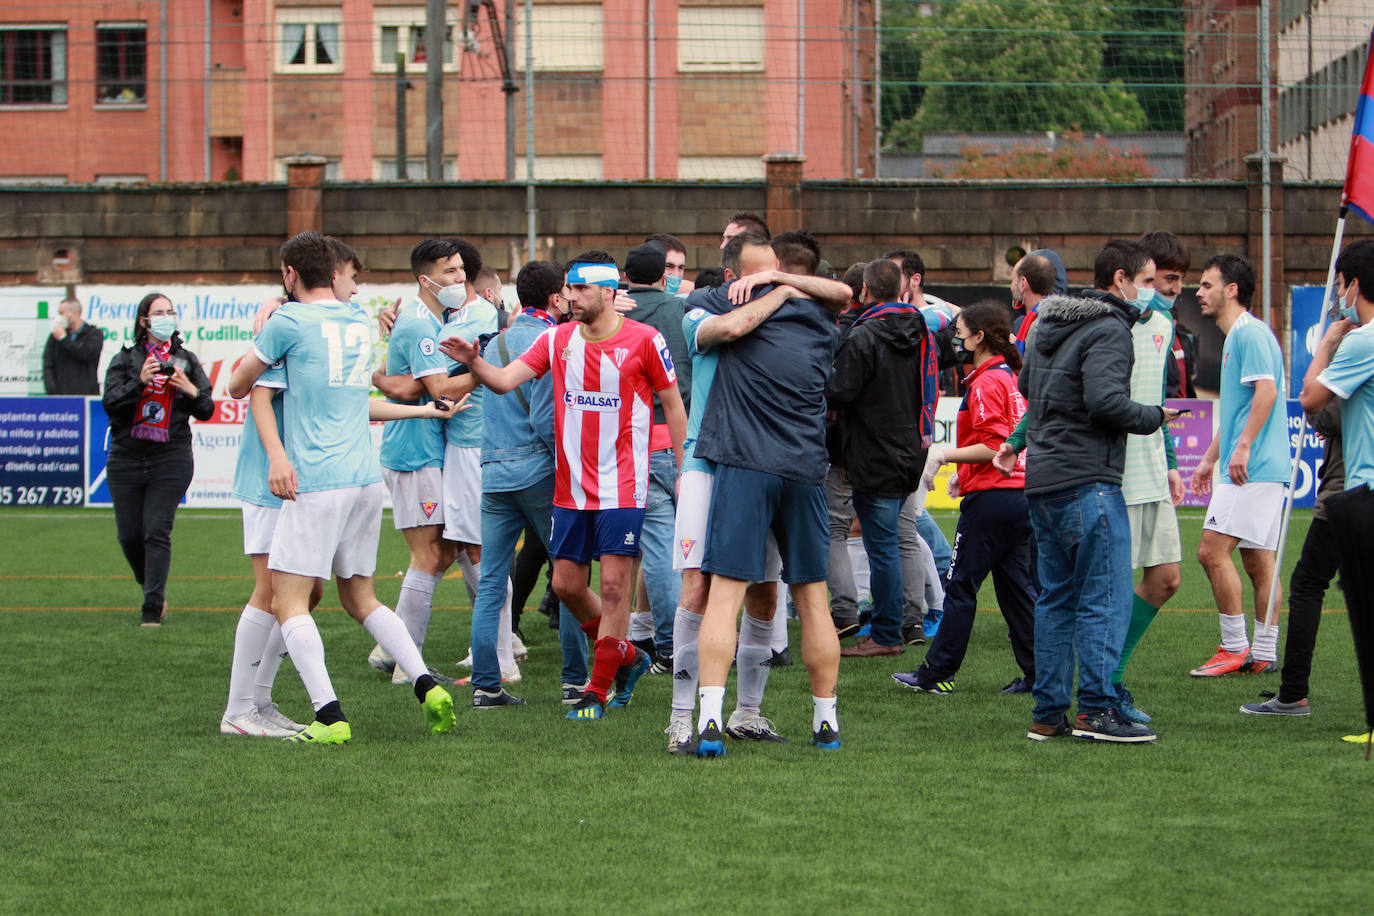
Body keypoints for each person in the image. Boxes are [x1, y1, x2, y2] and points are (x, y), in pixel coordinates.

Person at [227, 231, 456, 744]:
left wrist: (272, 323)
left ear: (290, 275)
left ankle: (315, 714)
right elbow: (342, 397)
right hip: (352, 478)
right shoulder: (353, 321)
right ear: (333, 275)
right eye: (353, 276)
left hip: (310, 479)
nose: (357, 285)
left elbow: (240, 387)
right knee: (342, 596)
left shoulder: (286, 323)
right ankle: (422, 681)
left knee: (285, 597)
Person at [440, 251, 687, 721]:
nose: (570, 297)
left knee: (614, 588)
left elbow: (673, 408)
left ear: (609, 293)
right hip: (569, 489)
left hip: (624, 486)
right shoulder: (557, 340)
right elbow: (505, 379)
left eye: (581, 290)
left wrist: (685, 468)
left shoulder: (644, 340)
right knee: (567, 585)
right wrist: (475, 361)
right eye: (568, 289)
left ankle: (596, 688)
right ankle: (626, 656)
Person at [667, 233, 844, 754]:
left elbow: (835, 294)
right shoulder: (718, 305)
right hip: (751, 464)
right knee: (797, 597)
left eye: (774, 269)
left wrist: (779, 285)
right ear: (732, 275)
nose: (764, 277)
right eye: (757, 270)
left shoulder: (790, 304)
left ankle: (726, 717)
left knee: (743, 593)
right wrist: (785, 289)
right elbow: (731, 326)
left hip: (745, 465)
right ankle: (819, 720)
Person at [998, 238, 1179, 743]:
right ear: (1119, 280)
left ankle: (1048, 712)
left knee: (1056, 599)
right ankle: (1096, 709)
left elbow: (1029, 389)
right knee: (1104, 596)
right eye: (1146, 282)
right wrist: (1155, 417)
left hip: (1046, 480)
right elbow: (1106, 401)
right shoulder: (1109, 327)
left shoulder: (1049, 324)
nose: (1152, 293)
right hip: (1087, 481)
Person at [897, 301, 1036, 694]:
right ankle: (1037, 674)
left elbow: (994, 445)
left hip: (993, 499)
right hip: (1016, 495)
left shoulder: (986, 382)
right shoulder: (1010, 376)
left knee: (960, 585)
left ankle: (937, 673)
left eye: (960, 333)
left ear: (979, 337)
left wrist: (943, 455)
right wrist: (966, 474)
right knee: (1016, 591)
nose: (955, 341)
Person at [466, 260, 586, 709]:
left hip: (494, 471)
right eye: (567, 292)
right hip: (538, 472)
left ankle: (486, 686)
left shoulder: (495, 342)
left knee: (492, 581)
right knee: (569, 572)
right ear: (556, 298)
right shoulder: (552, 340)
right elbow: (544, 418)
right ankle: (575, 682)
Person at [367, 239, 478, 684]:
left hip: (426, 449)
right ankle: (404, 665)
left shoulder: (427, 319)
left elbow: (413, 387)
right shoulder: (417, 323)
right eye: (450, 272)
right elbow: (437, 389)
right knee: (430, 554)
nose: (459, 279)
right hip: (414, 453)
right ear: (425, 280)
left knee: (446, 549)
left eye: (461, 270)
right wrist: (503, 367)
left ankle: (392, 649)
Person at [1188, 254, 1291, 677]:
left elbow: (1266, 392)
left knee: (1211, 552)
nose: (1199, 292)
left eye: (1207, 284)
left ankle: (1233, 647)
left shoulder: (1249, 334)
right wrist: (1210, 458)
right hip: (1254, 466)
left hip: (1252, 468)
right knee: (1258, 560)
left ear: (1231, 289)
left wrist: (1243, 448)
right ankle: (1263, 651)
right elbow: (1239, 409)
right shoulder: (1238, 337)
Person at [1289, 239, 1374, 736]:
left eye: (1341, 284)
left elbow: (1310, 398)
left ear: (1354, 284)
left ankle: (1292, 693)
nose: (1339, 293)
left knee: (1322, 589)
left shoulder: (1362, 340)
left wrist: (1325, 342)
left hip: (1362, 489)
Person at [827, 259, 930, 658]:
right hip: (910, 446)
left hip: (873, 450)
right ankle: (900, 621)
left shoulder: (864, 334)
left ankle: (887, 632)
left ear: (865, 291)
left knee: (883, 544)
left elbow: (841, 390)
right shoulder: (920, 329)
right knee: (895, 539)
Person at [1107, 231, 1188, 723]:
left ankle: (1108, 676)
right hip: (1118, 473)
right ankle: (1101, 685)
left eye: (1180, 279)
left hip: (1152, 468)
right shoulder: (1112, 319)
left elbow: (1158, 396)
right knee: (1107, 587)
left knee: (1166, 579)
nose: (1175, 287)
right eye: (1166, 278)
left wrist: (1173, 462)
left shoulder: (1164, 321)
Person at [101, 292, 214, 627]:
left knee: (155, 530)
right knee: (130, 536)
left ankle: (151, 607)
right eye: (158, 312)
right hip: (126, 456)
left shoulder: (187, 359)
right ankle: (150, 587)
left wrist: (190, 389)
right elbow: (110, 403)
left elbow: (206, 408)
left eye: (171, 312)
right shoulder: (125, 359)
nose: (166, 317)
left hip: (171, 456)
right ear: (144, 321)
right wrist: (141, 382)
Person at [622, 241, 692, 672]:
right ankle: (667, 638)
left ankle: (667, 644)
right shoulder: (681, 312)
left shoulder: (618, 314)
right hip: (682, 437)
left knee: (654, 552)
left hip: (637, 439)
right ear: (662, 274)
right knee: (682, 551)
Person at [44, 297, 103, 395]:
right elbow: (48, 365)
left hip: (86, 395)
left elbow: (85, 354)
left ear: (74, 313)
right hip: (62, 396)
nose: (59, 317)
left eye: (61, 313)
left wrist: (64, 339)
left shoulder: (94, 334)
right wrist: (53, 392)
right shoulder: (54, 336)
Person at [647, 232, 694, 298]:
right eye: (668, 266)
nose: (676, 275)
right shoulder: (629, 302)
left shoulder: (689, 298)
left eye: (680, 268)